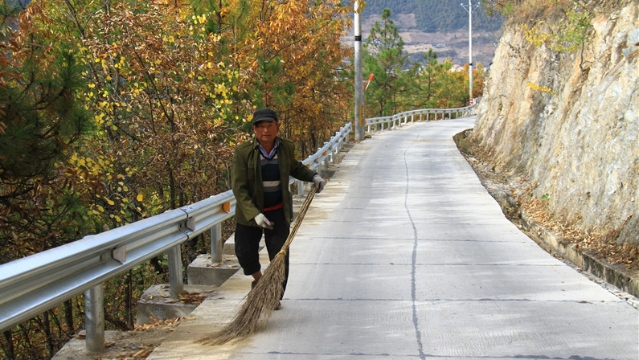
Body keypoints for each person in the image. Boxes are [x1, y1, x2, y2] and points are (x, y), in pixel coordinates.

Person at [231, 108, 325, 306]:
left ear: (277, 127)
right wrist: (255, 214)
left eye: (270, 126)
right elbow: (239, 188)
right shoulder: (243, 152)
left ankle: (274, 296)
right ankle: (260, 279)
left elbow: (294, 167)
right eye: (261, 126)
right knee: (244, 252)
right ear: (255, 129)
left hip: (277, 210)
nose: (266, 130)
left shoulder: (285, 148)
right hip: (251, 214)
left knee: (279, 257)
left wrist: (313, 176)